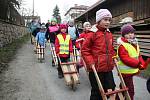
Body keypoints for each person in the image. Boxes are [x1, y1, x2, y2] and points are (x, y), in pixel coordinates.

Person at [81, 9, 117, 100]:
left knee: (111, 87)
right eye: (105, 19)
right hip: (95, 68)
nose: (107, 22)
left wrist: (114, 57)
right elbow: (85, 50)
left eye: (109, 20)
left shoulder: (109, 34)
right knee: (97, 91)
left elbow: (111, 49)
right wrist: (90, 62)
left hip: (108, 67)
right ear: (98, 20)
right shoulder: (92, 34)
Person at [117, 24, 150, 100]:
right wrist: (138, 64)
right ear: (123, 35)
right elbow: (125, 58)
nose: (130, 35)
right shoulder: (122, 45)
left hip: (131, 70)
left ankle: (117, 98)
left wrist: (142, 63)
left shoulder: (134, 43)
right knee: (130, 89)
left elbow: (138, 55)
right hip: (125, 72)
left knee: (123, 87)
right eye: (127, 34)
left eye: (132, 33)